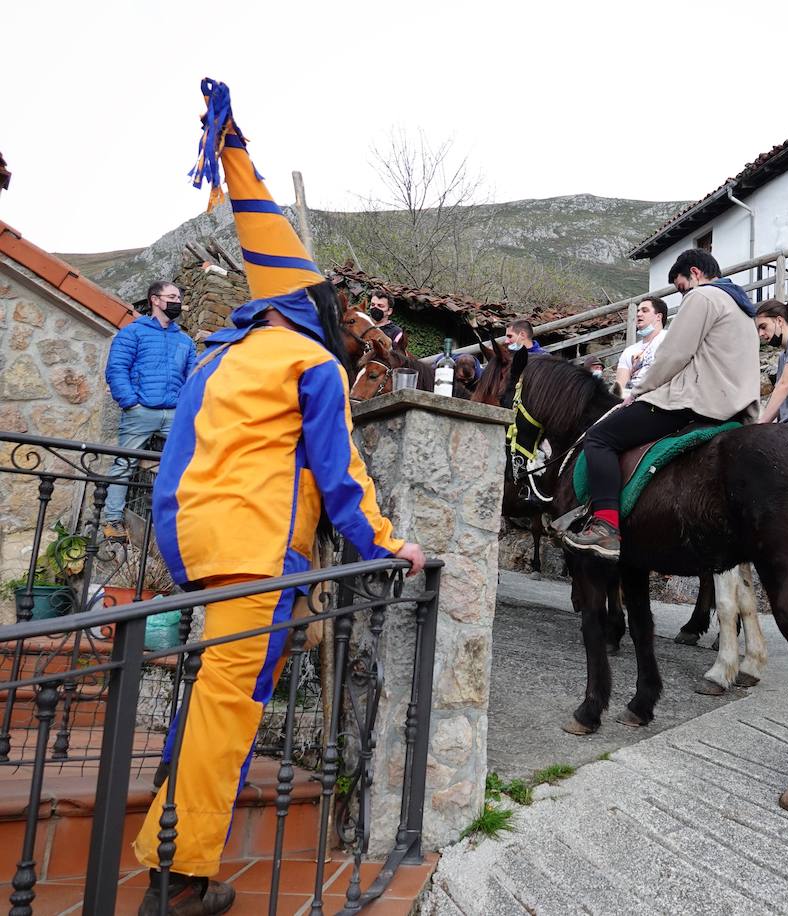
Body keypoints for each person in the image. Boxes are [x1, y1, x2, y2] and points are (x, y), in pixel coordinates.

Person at [133, 78, 425, 916]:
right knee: (228, 706)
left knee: (209, 696)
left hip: (196, 544)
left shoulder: (216, 358)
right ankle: (176, 880)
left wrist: (183, 550)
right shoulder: (314, 366)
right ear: (315, 311)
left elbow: (185, 461)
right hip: (257, 557)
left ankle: (164, 844)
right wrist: (384, 545)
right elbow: (343, 479)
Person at [564, 248, 759, 559]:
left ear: (695, 273)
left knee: (600, 437)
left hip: (695, 401)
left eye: (681, 287)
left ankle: (605, 526)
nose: (683, 296)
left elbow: (674, 354)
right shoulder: (743, 307)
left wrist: (638, 390)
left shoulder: (703, 296)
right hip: (736, 406)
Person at [101, 281, 198, 540]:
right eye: (171, 296)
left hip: (175, 412)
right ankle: (112, 520)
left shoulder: (185, 340)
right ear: (155, 300)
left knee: (191, 459)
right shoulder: (133, 333)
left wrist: (186, 404)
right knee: (124, 463)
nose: (177, 301)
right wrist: (131, 402)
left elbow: (193, 375)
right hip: (140, 411)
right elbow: (116, 369)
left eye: (179, 296)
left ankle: (183, 521)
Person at [616, 297, 669, 394]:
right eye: (638, 311)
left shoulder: (669, 338)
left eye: (645, 311)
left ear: (658, 317)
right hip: (632, 399)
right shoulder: (629, 351)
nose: (639, 314)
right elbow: (620, 388)